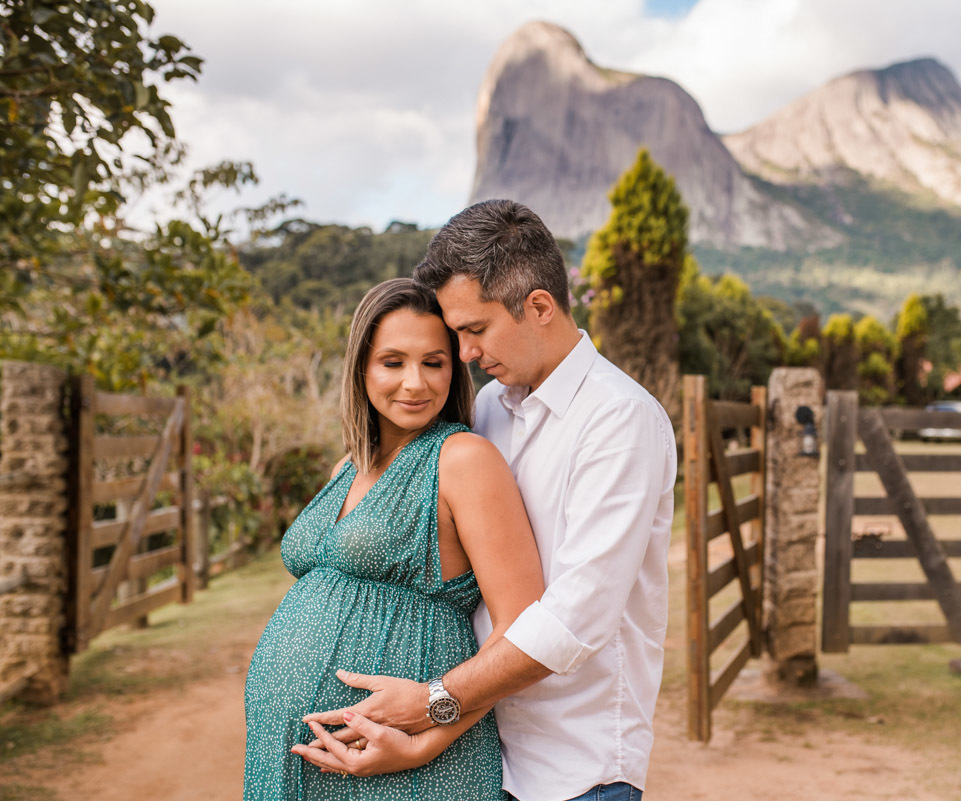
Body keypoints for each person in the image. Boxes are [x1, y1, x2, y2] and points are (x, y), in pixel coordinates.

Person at [296, 200, 677, 801]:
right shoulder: (492, 409)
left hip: (575, 771)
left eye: (474, 330)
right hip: (483, 755)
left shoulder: (619, 419)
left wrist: (434, 703)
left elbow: (575, 620)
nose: (466, 353)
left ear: (540, 307)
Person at [243, 277, 544, 800]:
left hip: (403, 767)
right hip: (289, 757)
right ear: (361, 367)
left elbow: (523, 628)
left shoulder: (462, 459)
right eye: (393, 362)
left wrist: (425, 740)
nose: (415, 383)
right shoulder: (349, 466)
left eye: (434, 362)